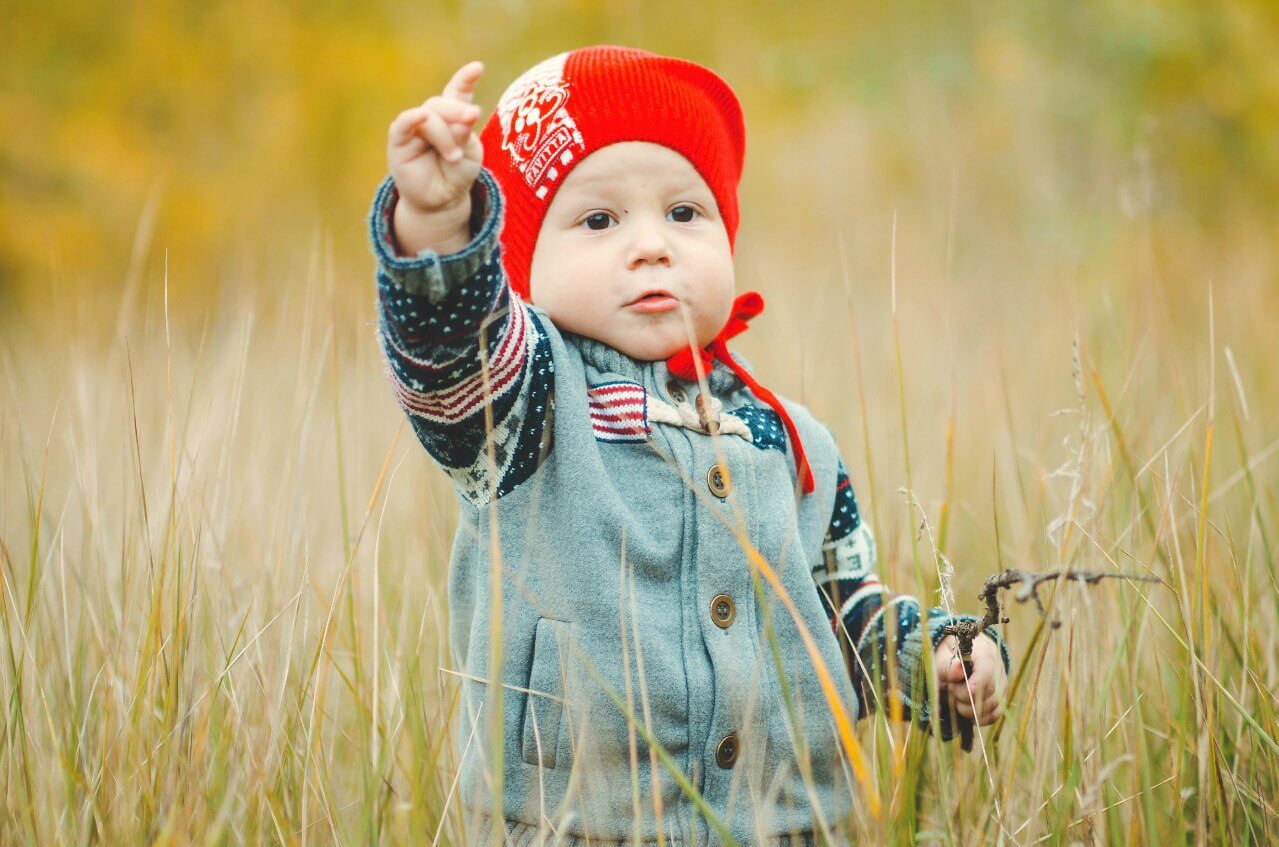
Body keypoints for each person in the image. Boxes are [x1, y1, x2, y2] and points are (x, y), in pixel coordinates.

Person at [368, 45, 1009, 846]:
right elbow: (451, 360)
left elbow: (845, 609)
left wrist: (943, 655)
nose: (651, 246)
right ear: (522, 264)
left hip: (786, 822)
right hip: (580, 821)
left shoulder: (788, 438)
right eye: (598, 220)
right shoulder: (528, 400)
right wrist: (434, 228)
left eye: (683, 213)